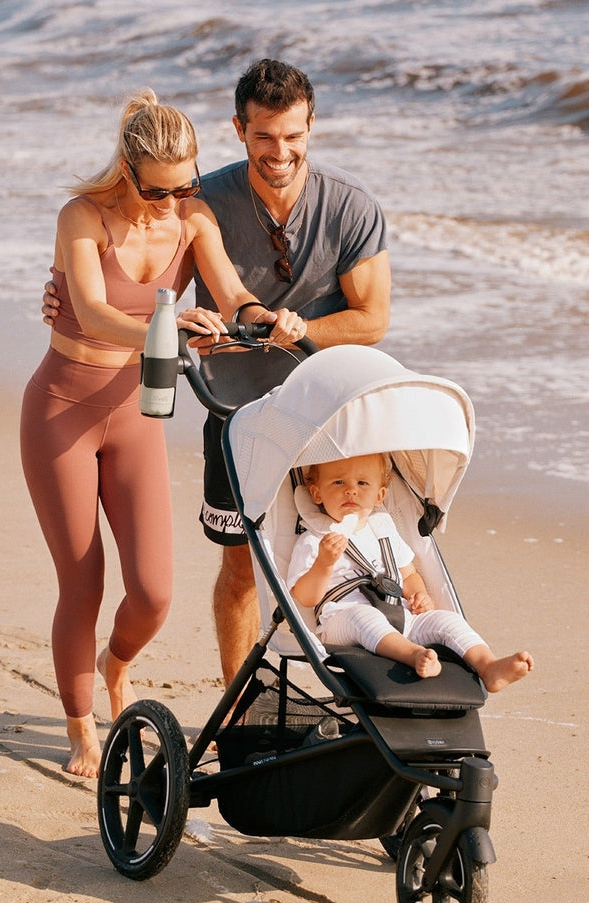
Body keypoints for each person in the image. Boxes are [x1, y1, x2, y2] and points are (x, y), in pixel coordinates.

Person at [44, 61, 391, 687]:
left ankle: (363, 692)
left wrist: (286, 324)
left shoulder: (345, 207)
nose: (279, 151)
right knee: (235, 567)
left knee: (347, 555)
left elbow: (354, 317)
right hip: (231, 413)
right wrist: (72, 299)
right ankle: (236, 704)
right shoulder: (197, 199)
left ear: (312, 127)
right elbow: (103, 293)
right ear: (240, 130)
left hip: (326, 413)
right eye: (263, 136)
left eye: (293, 135)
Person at [21, 90, 306, 779]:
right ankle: (81, 727)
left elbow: (232, 292)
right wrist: (167, 322)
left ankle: (114, 664)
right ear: (127, 169)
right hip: (62, 408)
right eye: (157, 190)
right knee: (83, 582)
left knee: (153, 593)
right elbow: (89, 311)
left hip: (135, 416)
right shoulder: (81, 218)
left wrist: (263, 316)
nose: (170, 203)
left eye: (184, 188)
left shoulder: (191, 218)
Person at [287, 454, 533, 692]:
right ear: (316, 493)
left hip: (399, 613)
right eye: (338, 482)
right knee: (363, 617)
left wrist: (419, 594)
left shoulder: (384, 532)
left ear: (379, 496)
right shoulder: (314, 539)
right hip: (342, 619)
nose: (351, 490)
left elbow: (408, 573)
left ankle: (487, 666)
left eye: (362, 483)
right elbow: (305, 597)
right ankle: (413, 654)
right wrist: (324, 563)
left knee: (447, 621)